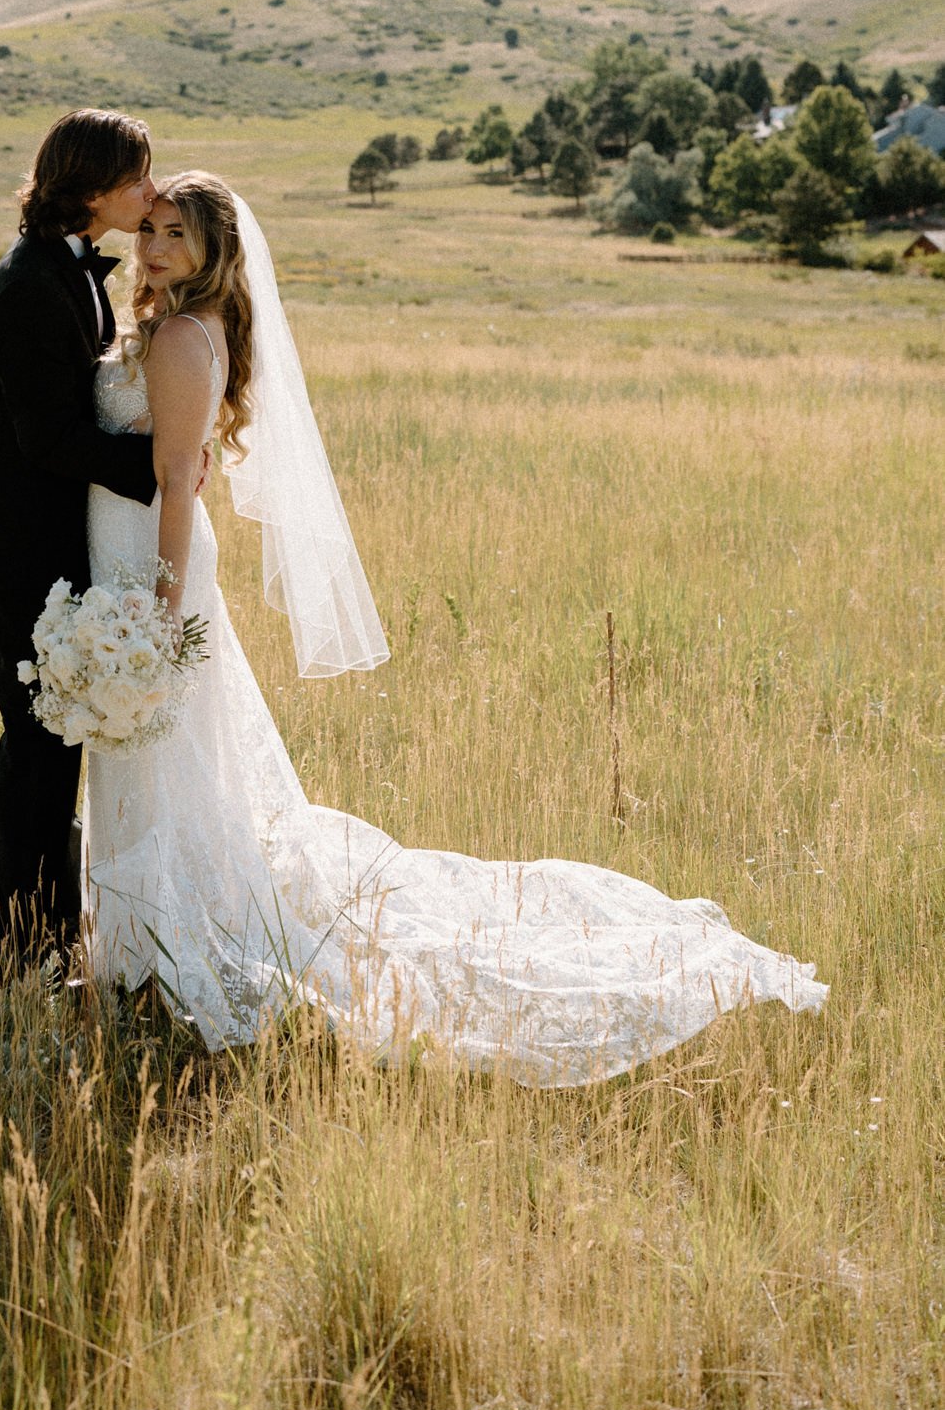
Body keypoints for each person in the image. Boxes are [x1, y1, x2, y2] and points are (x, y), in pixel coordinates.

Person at [81, 172, 826, 1084]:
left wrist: (157, 610)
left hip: (153, 573)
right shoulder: (173, 328)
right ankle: (136, 945)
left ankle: (159, 949)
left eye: (176, 236)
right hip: (131, 565)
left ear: (212, 254)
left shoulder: (185, 339)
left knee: (165, 750)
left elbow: (171, 480)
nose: (153, 248)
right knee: (165, 754)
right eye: (148, 228)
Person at [0, 109, 161, 982]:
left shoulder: (71, 272)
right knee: (37, 742)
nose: (150, 194)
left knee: (61, 736)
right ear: (91, 190)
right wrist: (159, 465)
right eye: (137, 180)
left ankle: (55, 932)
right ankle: (15, 948)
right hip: (23, 547)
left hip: (61, 541)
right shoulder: (27, 287)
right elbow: (47, 439)